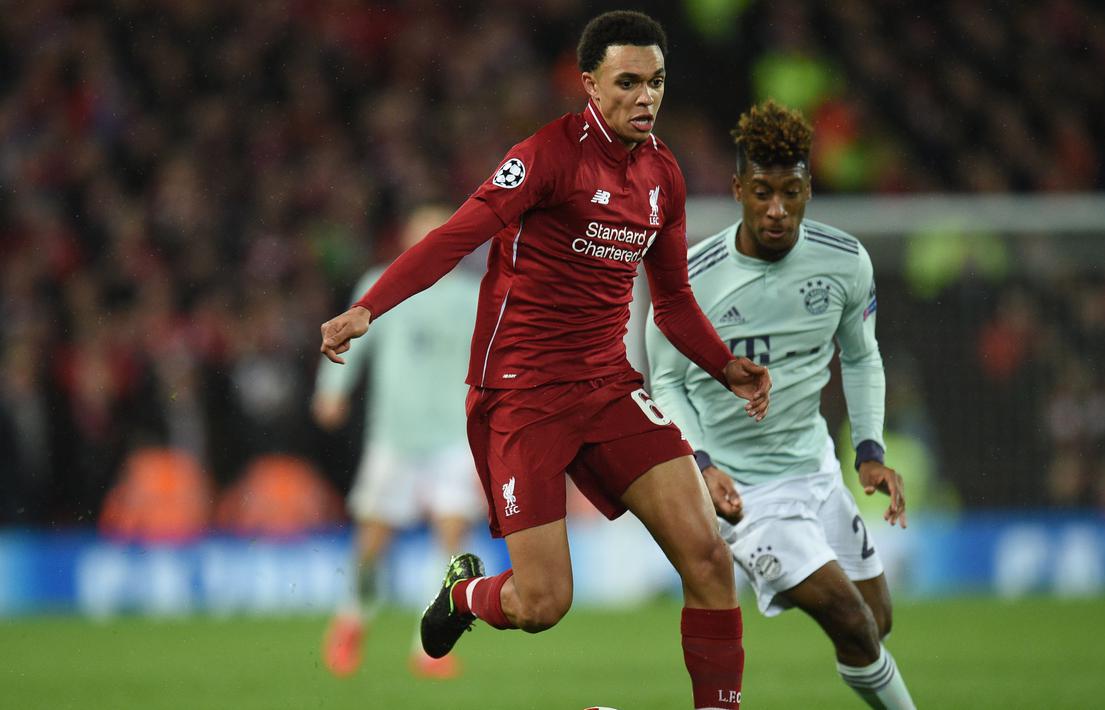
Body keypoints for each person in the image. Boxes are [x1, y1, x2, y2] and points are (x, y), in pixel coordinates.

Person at [318, 11, 771, 710]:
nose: (645, 97)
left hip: (608, 387)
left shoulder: (662, 175)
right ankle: (464, 594)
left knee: (708, 556)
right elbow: (455, 235)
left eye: (655, 82)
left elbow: (673, 301)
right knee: (541, 602)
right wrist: (367, 309)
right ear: (590, 83)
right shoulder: (546, 157)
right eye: (627, 82)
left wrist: (726, 367)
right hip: (522, 395)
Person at [645, 100, 917, 709]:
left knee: (876, 622)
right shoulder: (689, 279)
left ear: (809, 189)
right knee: (850, 620)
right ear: (739, 188)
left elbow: (862, 356)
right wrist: (703, 466)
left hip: (816, 472)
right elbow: (667, 384)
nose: (776, 209)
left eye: (791, 192)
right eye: (762, 192)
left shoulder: (845, 262)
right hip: (743, 493)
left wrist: (869, 451)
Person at [315, 205, 484, 678]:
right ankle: (352, 618)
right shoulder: (382, 284)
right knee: (372, 542)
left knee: (451, 539)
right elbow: (353, 337)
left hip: (453, 434)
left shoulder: (473, 295)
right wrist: (331, 392)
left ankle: (428, 647)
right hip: (395, 434)